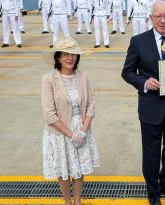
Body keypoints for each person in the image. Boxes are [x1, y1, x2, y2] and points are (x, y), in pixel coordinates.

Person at [121, 1, 165, 205]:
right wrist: (144, 82)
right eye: (158, 16)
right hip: (151, 107)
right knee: (151, 152)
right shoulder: (138, 41)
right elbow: (126, 72)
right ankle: (153, 191)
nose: (162, 20)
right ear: (150, 18)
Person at [41, 37, 99, 205]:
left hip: (81, 128)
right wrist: (71, 135)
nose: (70, 58)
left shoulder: (83, 76)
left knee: (79, 168)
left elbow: (91, 105)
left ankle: (78, 201)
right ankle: (67, 202)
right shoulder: (49, 79)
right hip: (60, 131)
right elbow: (49, 114)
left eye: (73, 54)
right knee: (64, 169)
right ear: (58, 57)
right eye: (65, 54)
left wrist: (83, 130)